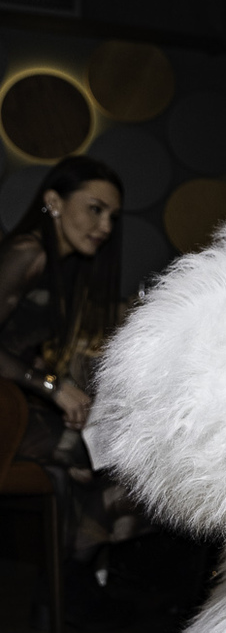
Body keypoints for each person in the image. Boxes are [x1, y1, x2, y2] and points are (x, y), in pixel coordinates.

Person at [0, 155, 134, 567]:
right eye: (95, 209)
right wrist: (52, 387)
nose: (105, 227)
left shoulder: (64, 267)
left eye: (112, 216)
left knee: (110, 462)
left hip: (20, 405)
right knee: (106, 458)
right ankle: (74, 580)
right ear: (54, 202)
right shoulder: (29, 252)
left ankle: (74, 580)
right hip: (6, 412)